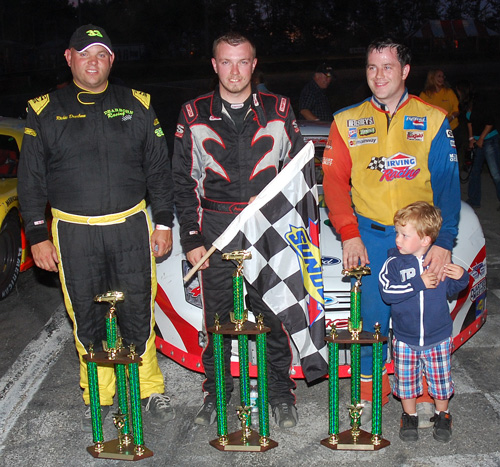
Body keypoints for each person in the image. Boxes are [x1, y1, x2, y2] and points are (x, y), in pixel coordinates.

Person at [18, 24, 175, 431]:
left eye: (101, 54)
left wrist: (163, 222)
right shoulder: (43, 110)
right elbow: (30, 180)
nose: (93, 62)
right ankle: (100, 393)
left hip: (130, 227)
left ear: (111, 60)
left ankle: (148, 388)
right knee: (86, 315)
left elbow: (159, 170)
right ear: (69, 58)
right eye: (84, 54)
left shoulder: (137, 104)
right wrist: (37, 236)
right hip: (74, 233)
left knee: (139, 309)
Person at [322, 38, 460, 429]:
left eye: (387, 67)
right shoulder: (346, 120)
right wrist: (349, 234)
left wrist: (444, 243)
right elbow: (333, 183)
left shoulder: (432, 118)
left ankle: (427, 393)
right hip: (371, 236)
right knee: (371, 318)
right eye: (371, 67)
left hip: (423, 241)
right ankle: (370, 393)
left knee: (423, 315)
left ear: (405, 71)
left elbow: (448, 186)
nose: (378, 75)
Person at [172, 32, 305, 428]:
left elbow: (299, 172)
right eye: (226, 62)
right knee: (217, 322)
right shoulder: (193, 113)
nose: (234, 71)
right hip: (215, 230)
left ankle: (280, 393)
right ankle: (217, 394)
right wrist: (191, 238)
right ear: (214, 65)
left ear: (254, 64)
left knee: (273, 317)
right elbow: (182, 181)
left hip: (266, 228)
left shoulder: (280, 109)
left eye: (242, 61)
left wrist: (285, 218)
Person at [379, 201, 469, 442]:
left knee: (441, 381)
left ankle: (443, 414)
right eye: (397, 233)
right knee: (406, 382)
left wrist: (462, 278)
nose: (397, 239)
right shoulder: (394, 263)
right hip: (405, 338)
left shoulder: (438, 263)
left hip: (438, 337)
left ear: (426, 240)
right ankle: (409, 416)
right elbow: (387, 292)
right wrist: (418, 283)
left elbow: (453, 289)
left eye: (404, 235)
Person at [455, 81, 500, 210]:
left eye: (458, 91)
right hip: (477, 140)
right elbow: (469, 122)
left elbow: (490, 122)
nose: (457, 94)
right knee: (474, 171)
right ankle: (474, 200)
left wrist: (481, 139)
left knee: (495, 173)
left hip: (490, 139)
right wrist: (471, 139)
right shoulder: (465, 104)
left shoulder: (480, 103)